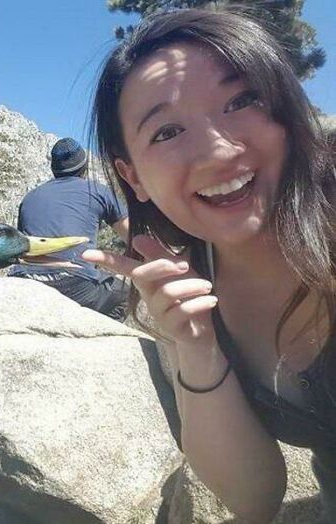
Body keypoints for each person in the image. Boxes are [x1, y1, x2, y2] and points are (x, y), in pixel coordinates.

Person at [82, 7, 336, 523]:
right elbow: (254, 498)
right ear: (133, 179)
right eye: (167, 133)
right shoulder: (193, 287)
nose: (217, 151)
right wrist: (196, 347)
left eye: (241, 100)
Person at [8, 137, 130, 321]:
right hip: (76, 283)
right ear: (85, 167)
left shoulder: (29, 198)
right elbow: (133, 237)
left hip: (25, 281)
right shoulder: (99, 192)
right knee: (125, 295)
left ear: (53, 169)